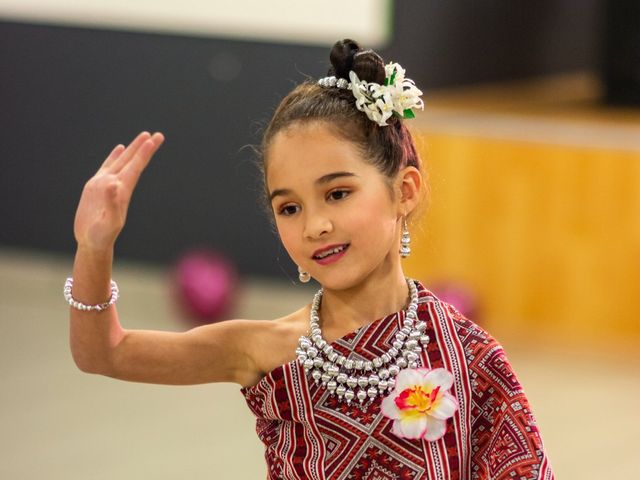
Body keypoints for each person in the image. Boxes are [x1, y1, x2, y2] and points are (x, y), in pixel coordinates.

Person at [68, 39, 554, 479]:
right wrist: (94, 248)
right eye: (290, 207)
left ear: (404, 190)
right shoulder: (263, 350)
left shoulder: (468, 356)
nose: (314, 226)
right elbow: (103, 353)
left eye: (338, 193)